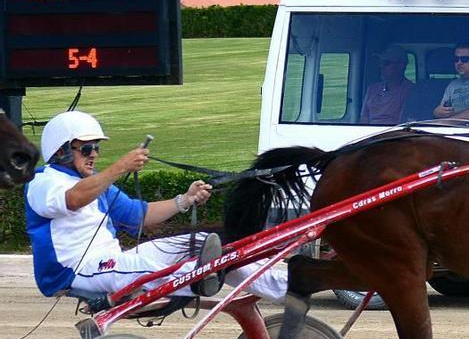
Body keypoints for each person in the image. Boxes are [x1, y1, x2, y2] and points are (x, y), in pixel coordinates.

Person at [24, 111, 286, 302]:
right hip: (77, 272)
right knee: (144, 266)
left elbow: (140, 215)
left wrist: (186, 199)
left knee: (214, 247)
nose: (94, 154)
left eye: (97, 148)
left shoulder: (95, 183)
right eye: (87, 148)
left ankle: (287, 286)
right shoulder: (43, 181)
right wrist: (120, 167)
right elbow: (72, 199)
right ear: (61, 151)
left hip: (111, 261)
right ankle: (200, 277)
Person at [360, 45, 415, 125]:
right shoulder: (372, 89)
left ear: (400, 66)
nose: (381, 67)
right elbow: (363, 119)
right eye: (380, 63)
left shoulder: (411, 91)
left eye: (386, 63)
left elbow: (405, 123)